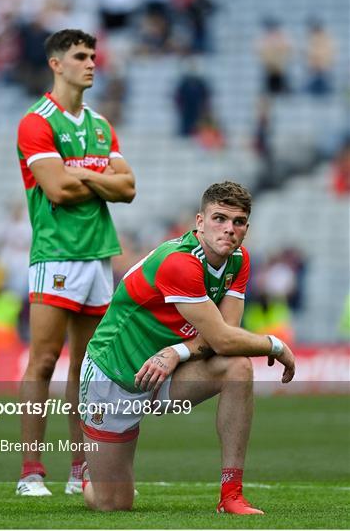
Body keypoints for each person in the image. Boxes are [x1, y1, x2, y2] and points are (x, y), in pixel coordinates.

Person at [79, 181, 295, 514]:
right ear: (199, 222)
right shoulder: (179, 262)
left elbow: (227, 336)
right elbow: (222, 339)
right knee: (114, 504)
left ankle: (231, 495)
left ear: (246, 229)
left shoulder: (238, 261)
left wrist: (177, 352)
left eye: (238, 222)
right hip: (114, 376)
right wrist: (275, 346)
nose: (229, 229)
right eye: (219, 219)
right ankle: (91, 473)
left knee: (237, 367)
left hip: (167, 371)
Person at [16, 28, 135, 496]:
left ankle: (79, 469)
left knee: (87, 369)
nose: (91, 63)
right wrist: (98, 173)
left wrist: (78, 169)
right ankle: (29, 471)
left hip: (98, 256)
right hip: (57, 254)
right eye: (81, 56)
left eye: (93, 55)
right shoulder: (36, 121)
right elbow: (57, 189)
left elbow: (128, 189)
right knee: (43, 360)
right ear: (56, 63)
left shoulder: (101, 125)